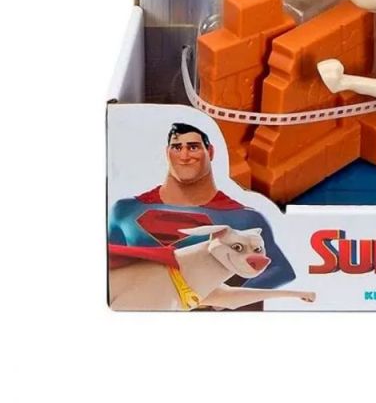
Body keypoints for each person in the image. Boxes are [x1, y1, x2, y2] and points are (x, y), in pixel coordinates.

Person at [109, 123, 296, 301]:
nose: (184, 156)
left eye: (193, 147)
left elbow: (280, 270)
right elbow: (109, 270)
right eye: (177, 147)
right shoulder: (126, 210)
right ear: (167, 152)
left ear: (210, 152)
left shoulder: (245, 219)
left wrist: (216, 304)